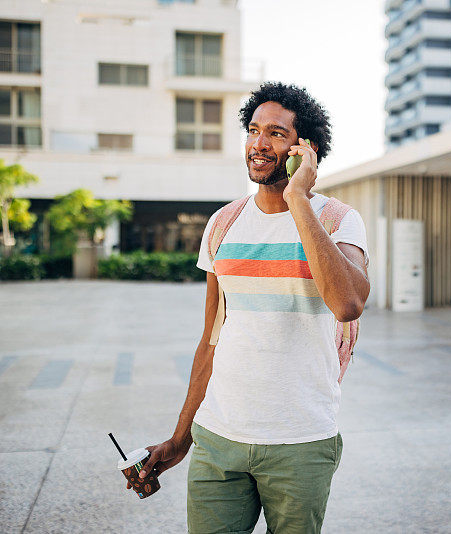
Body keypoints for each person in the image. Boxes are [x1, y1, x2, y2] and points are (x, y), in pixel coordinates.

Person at [134, 82, 370, 534]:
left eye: (277, 134)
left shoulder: (339, 220)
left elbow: (347, 303)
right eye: (253, 129)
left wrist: (298, 199)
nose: (259, 143)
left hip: (299, 442)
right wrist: (180, 438)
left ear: (306, 149)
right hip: (218, 439)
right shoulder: (223, 223)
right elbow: (211, 340)